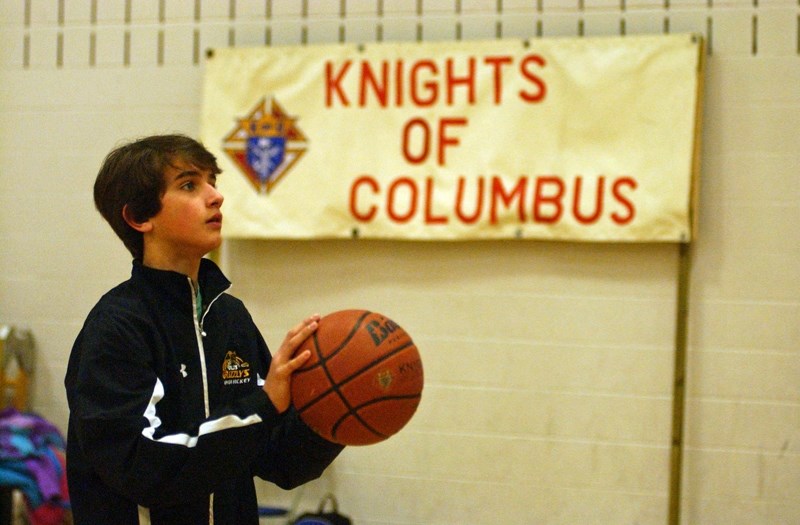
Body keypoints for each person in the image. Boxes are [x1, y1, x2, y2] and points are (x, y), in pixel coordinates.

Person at [64, 134, 344, 524]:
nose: (216, 197)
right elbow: (142, 468)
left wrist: (334, 411)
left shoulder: (229, 317)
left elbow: (280, 461)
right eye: (189, 185)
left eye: (213, 181)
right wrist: (262, 406)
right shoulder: (117, 328)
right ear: (139, 218)